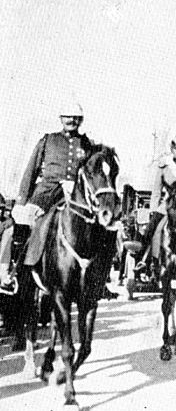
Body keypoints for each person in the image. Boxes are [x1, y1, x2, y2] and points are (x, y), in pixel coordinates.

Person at [1, 103, 94, 294]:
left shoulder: (88, 144)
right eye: (67, 116)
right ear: (61, 118)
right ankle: (11, 274)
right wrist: (21, 201)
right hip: (46, 193)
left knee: (96, 230)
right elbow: (31, 170)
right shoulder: (48, 140)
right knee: (16, 229)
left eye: (76, 117)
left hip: (75, 198)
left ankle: (97, 279)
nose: (71, 121)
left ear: (81, 120)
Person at [129, 134, 176, 270]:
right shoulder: (164, 168)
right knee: (151, 229)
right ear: (172, 149)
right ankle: (144, 260)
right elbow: (157, 191)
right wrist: (153, 210)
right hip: (167, 205)